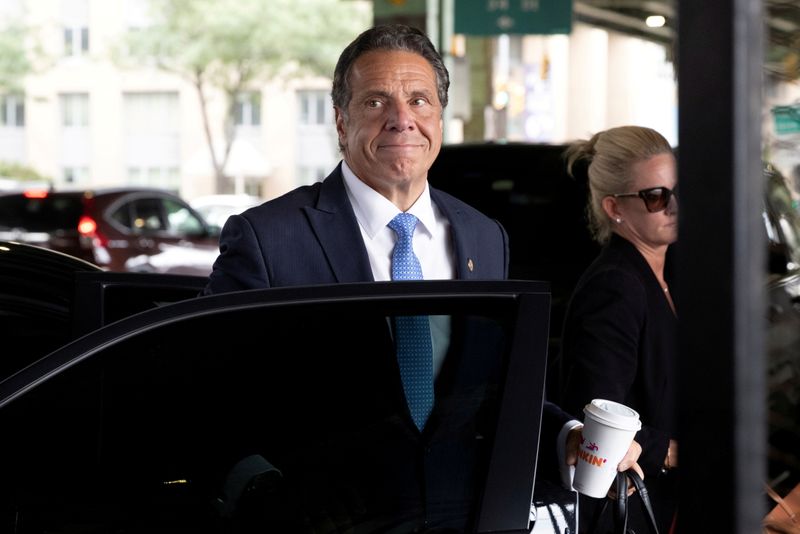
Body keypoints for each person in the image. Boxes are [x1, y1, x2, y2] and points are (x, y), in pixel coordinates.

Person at [203, 23, 641, 531]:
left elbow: (491, 391)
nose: (401, 120)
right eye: (375, 102)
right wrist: (263, 491)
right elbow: (210, 397)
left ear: (440, 117)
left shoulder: (483, 236)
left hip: (461, 516)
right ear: (341, 122)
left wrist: (566, 435)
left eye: (419, 100)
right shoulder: (268, 237)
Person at [557, 125, 678, 534]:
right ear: (614, 208)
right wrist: (668, 450)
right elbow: (598, 413)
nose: (673, 206)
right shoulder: (617, 285)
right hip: (634, 512)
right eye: (656, 196)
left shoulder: (665, 274)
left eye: (678, 190)